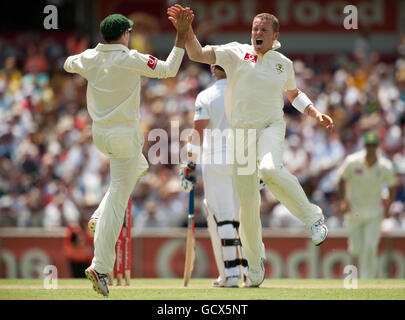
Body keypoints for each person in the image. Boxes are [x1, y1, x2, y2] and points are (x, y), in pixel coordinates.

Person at [169, 5, 333, 287]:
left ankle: (313, 218)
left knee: (269, 170)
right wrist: (187, 32)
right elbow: (197, 53)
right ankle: (255, 265)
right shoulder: (236, 52)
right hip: (240, 135)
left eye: (263, 30)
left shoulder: (284, 63)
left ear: (275, 35)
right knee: (247, 205)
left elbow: (293, 93)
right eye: (255, 28)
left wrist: (314, 113)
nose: (257, 32)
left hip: (270, 126)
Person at [64, 11, 194, 297]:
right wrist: (181, 35)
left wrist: (81, 57)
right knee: (120, 199)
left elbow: (68, 63)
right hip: (125, 135)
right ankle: (99, 267)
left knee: (140, 166)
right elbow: (169, 69)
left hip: (100, 135)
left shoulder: (89, 57)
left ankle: (99, 214)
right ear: (124, 35)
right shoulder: (130, 57)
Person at [181, 65, 249, 288]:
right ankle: (247, 274)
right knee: (242, 218)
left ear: (212, 69)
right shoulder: (243, 92)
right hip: (243, 159)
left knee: (224, 218)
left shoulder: (206, 95)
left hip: (216, 160)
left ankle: (230, 276)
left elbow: (198, 132)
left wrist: (190, 162)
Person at [338, 131, 398, 278]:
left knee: (370, 247)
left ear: (377, 146)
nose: (371, 148)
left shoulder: (385, 166)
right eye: (368, 145)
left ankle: (367, 281)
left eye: (373, 145)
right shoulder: (352, 161)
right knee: (356, 249)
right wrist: (344, 200)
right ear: (364, 146)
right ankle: (357, 276)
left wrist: (388, 207)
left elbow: (392, 186)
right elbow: (341, 179)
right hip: (354, 211)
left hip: (374, 211)